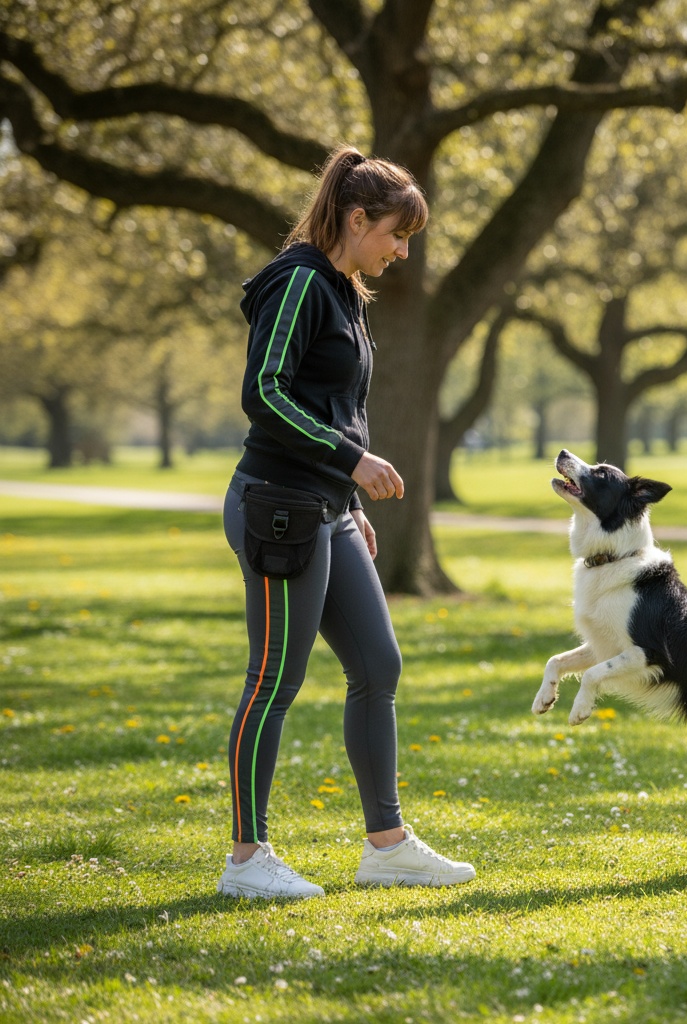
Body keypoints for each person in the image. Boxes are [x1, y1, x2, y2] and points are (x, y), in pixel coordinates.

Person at [216, 144, 475, 898]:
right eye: (397, 235)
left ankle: (386, 848)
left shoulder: (344, 291)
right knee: (274, 679)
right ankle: (246, 860)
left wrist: (351, 499)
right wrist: (351, 461)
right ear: (356, 219)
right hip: (278, 507)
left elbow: (336, 405)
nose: (402, 252)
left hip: (326, 508)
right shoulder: (298, 282)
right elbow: (265, 393)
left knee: (378, 666)